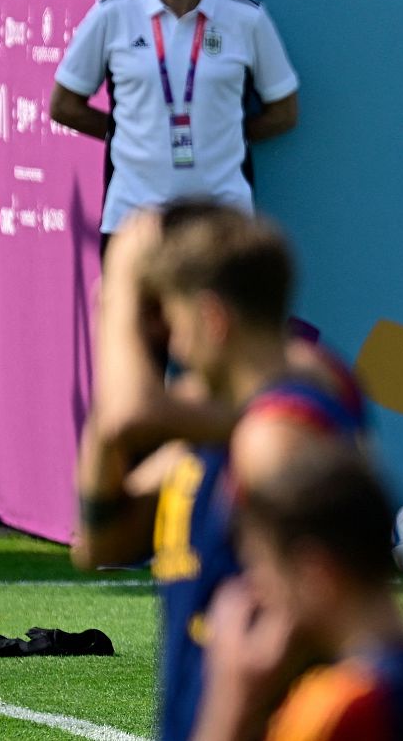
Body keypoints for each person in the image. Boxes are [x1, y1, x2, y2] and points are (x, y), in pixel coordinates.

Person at [71, 202, 365, 741]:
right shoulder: (214, 424)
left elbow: (132, 414)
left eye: (172, 317)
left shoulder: (294, 411)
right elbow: (99, 544)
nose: (170, 341)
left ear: (211, 318)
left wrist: (117, 301)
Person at [51, 0, 300, 255]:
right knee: (132, 317)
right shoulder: (112, 14)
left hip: (222, 222)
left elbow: (284, 111)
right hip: (133, 222)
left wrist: (224, 133)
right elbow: (64, 105)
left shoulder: (247, 19)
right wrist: (131, 134)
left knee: (220, 316)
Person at [193, 443, 403, 741]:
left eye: (262, 570)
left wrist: (229, 703)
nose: (257, 591)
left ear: (316, 574)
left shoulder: (341, 709)